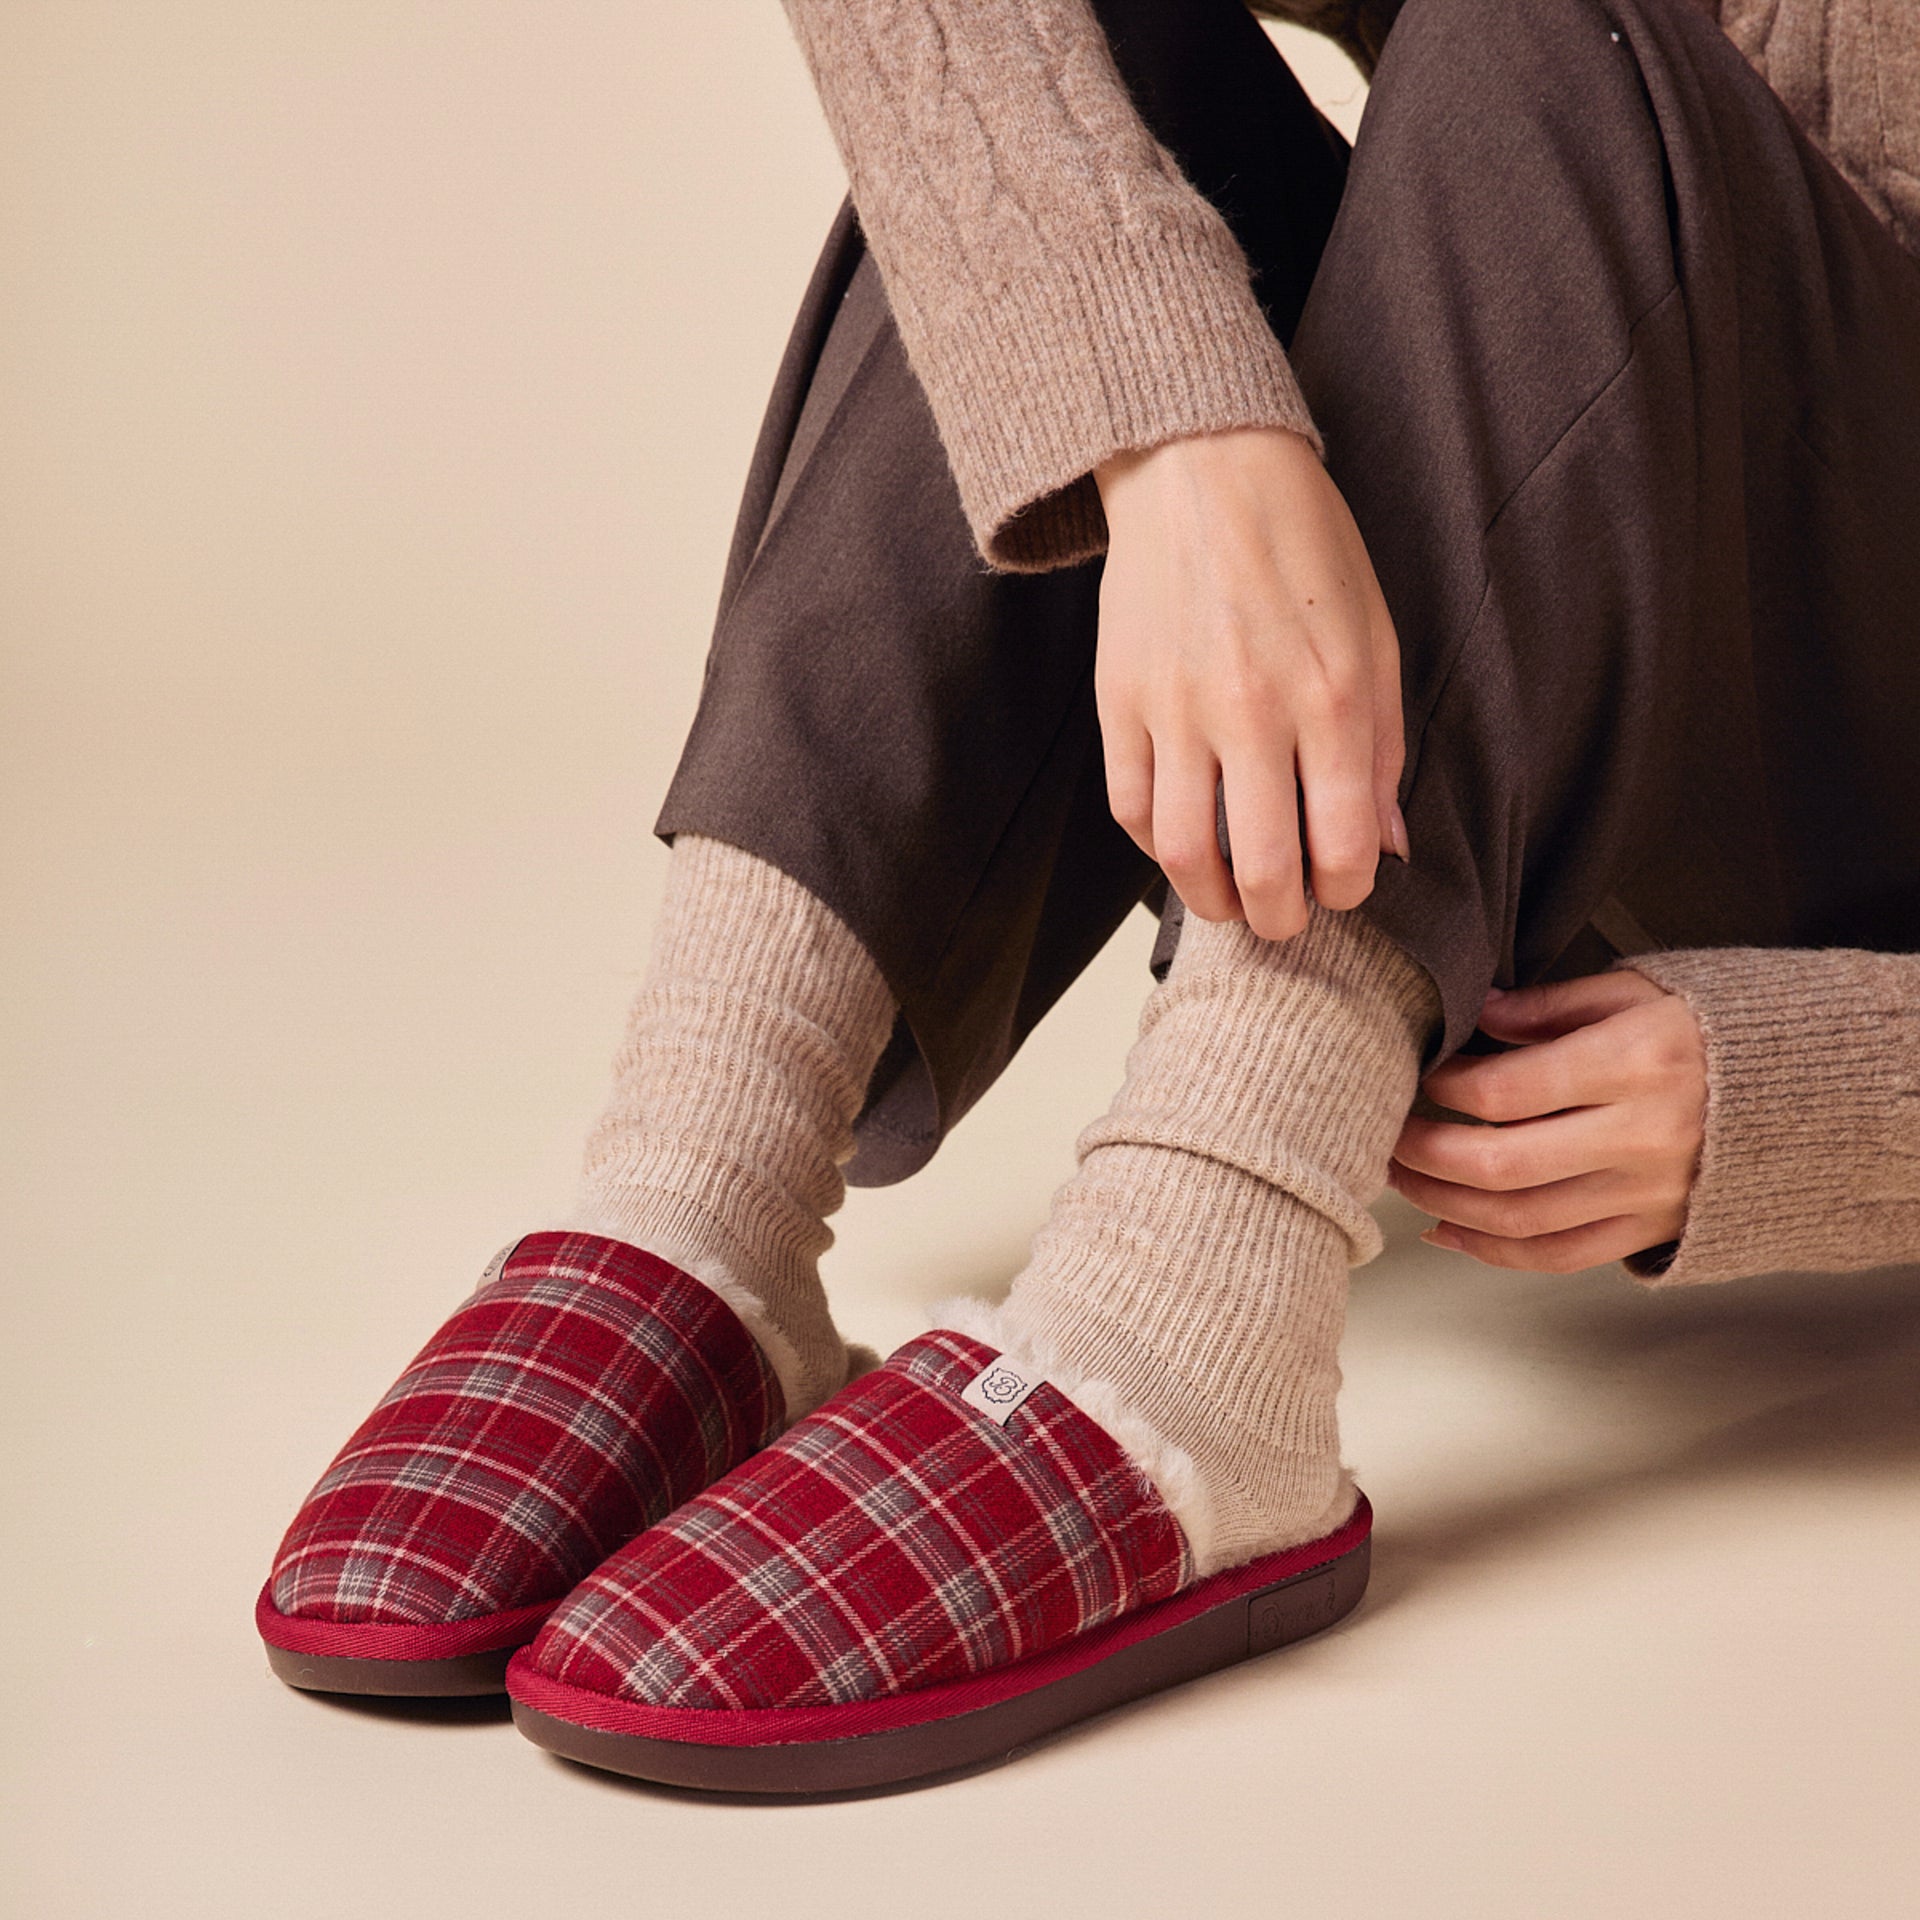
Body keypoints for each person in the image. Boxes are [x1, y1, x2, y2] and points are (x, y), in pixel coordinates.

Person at [257, 0, 1920, 1793]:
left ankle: (1193, 1314)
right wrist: (1172, 441)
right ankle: (706, 1173)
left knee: (1545, 36)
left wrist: (1830, 1082)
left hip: (1838, 797)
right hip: (1536, 668)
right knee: (1098, 89)